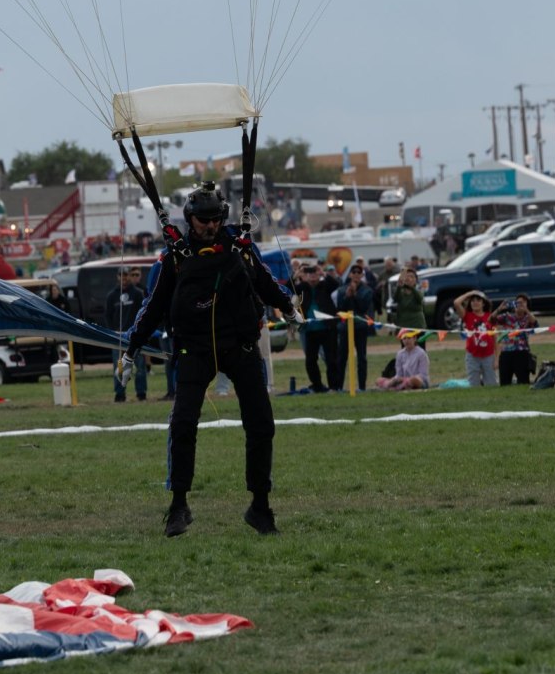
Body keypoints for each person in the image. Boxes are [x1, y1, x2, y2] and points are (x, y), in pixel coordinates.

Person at [122, 182, 292, 538]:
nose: (210, 226)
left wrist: (288, 307)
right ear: (190, 220)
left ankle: (260, 506)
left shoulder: (241, 248)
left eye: (215, 219)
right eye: (203, 220)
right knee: (183, 424)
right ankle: (178, 506)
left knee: (261, 423)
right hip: (194, 349)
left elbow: (264, 282)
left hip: (241, 346)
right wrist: (131, 348)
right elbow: (153, 306)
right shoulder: (175, 257)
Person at [292, 261, 341, 393]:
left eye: (314, 272)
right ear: (305, 275)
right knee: (310, 361)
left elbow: (336, 284)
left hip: (327, 328)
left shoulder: (324, 285)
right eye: (309, 272)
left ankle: (334, 387)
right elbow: (288, 290)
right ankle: (318, 386)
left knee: (331, 359)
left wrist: (323, 273)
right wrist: (295, 276)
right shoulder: (302, 287)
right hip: (310, 330)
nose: (312, 275)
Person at [331, 262, 377, 391]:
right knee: (342, 357)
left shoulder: (367, 290)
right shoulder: (342, 289)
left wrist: (355, 295)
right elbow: (340, 308)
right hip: (345, 327)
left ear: (362, 275)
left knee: (361, 357)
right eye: (354, 272)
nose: (356, 274)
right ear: (350, 274)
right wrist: (347, 296)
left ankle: (362, 386)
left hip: (360, 327)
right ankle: (339, 386)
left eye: (359, 273)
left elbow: (363, 307)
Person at [105, 267, 149, 401]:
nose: (123, 278)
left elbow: (143, 313)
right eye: (121, 275)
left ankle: (141, 393)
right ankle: (120, 394)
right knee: (118, 366)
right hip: (117, 336)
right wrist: (112, 331)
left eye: (126, 275)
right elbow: (108, 316)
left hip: (134, 336)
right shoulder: (111, 295)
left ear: (129, 276)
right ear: (117, 277)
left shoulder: (138, 294)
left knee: (139, 366)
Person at [454, 291, 498, 386]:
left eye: (478, 300)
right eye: (473, 300)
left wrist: (497, 359)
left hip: (489, 356)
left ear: (483, 303)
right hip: (472, 356)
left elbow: (495, 339)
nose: (475, 302)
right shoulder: (467, 316)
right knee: (473, 385)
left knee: (492, 384)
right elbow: (456, 303)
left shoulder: (490, 317)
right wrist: (470, 293)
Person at [492, 294, 537, 386]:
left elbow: (535, 323)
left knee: (523, 382)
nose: (519, 305)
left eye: (522, 303)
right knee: (504, 383)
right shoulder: (507, 316)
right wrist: (499, 309)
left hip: (522, 353)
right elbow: (491, 320)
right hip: (506, 352)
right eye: (517, 302)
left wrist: (526, 310)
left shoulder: (528, 318)